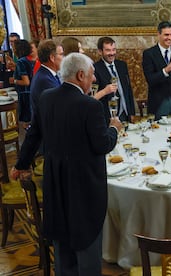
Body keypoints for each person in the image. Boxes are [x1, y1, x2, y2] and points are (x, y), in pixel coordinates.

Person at [10, 52, 123, 275]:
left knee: (62, 242)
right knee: (87, 245)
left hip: (55, 182)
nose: (93, 80)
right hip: (84, 186)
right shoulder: (89, 105)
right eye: (91, 76)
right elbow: (102, 145)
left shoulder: (47, 97)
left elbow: (33, 136)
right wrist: (114, 128)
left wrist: (21, 164)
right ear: (81, 75)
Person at [142, 21, 171, 120]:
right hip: (158, 103)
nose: (169, 38)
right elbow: (150, 79)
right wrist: (166, 70)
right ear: (158, 34)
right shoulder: (149, 54)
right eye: (166, 35)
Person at [94, 36, 135, 124]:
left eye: (114, 49)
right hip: (107, 116)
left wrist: (131, 112)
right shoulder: (95, 69)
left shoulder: (122, 65)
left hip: (125, 114)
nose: (112, 53)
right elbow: (93, 97)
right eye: (108, 50)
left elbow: (128, 89)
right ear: (100, 51)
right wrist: (105, 91)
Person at [30, 39, 64, 114]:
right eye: (61, 54)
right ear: (52, 57)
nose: (64, 58)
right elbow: (61, 105)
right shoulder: (45, 80)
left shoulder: (47, 74)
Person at [13, 39, 35, 129]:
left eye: (14, 48)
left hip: (25, 94)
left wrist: (14, 81)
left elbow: (26, 82)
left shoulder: (21, 62)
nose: (13, 50)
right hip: (32, 92)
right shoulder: (29, 60)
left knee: (26, 124)